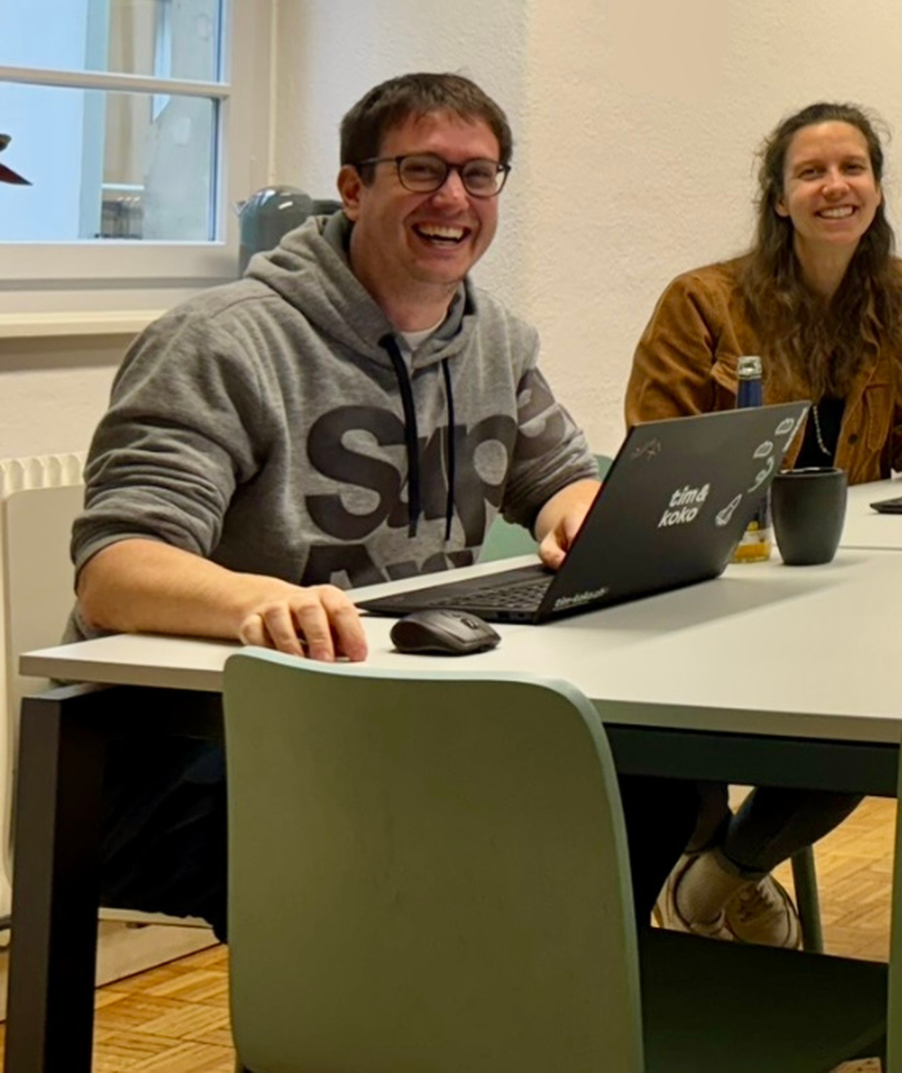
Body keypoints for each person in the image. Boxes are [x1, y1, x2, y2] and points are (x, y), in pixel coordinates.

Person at [67, 72, 697, 935]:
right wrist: (264, 602)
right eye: (422, 170)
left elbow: (558, 478)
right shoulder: (221, 342)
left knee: (652, 787)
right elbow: (115, 571)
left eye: (480, 174)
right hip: (190, 741)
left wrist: (579, 514)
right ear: (354, 188)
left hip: (399, 710)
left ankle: (537, 1007)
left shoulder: (495, 338)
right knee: (437, 831)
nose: (455, 199)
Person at [624, 101, 902, 946]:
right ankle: (710, 860)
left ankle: (718, 876)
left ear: (877, 188)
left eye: (853, 168)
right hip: (722, 583)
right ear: (778, 198)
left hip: (845, 576)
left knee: (885, 709)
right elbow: (658, 455)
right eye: (811, 172)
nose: (835, 186)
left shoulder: (901, 293)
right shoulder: (701, 301)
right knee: (705, 727)